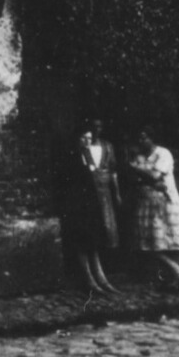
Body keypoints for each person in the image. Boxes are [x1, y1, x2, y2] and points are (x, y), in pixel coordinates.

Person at [60, 118, 121, 295]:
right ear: (77, 139)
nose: (87, 141)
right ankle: (89, 279)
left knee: (93, 240)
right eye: (83, 138)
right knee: (81, 241)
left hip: (90, 202)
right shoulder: (71, 156)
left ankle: (101, 278)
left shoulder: (88, 155)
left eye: (89, 138)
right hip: (76, 204)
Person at [125, 128, 179, 282]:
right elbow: (136, 180)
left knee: (172, 239)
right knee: (148, 240)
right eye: (139, 139)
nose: (141, 141)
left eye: (144, 138)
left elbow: (155, 175)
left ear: (152, 139)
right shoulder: (138, 157)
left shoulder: (163, 154)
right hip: (146, 202)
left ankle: (175, 280)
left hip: (166, 201)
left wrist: (137, 170)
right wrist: (148, 179)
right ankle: (175, 270)